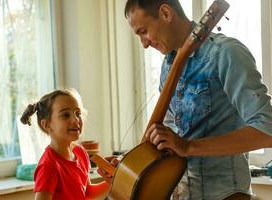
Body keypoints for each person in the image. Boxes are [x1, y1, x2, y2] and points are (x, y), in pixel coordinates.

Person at [99, 0, 272, 200]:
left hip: (227, 195)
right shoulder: (168, 67)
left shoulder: (226, 54)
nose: (144, 44)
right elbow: (168, 141)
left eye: (143, 31)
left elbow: (267, 130)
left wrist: (188, 147)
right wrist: (127, 167)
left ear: (165, 13)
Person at [20, 89, 109, 200]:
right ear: (47, 125)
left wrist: (113, 182)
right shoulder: (48, 166)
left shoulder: (80, 153)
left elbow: (87, 193)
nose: (75, 119)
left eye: (78, 114)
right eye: (66, 115)